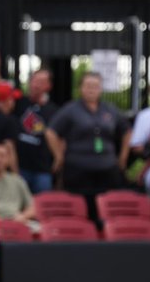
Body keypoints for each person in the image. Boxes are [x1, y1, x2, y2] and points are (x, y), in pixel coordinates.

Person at [46, 72, 130, 213]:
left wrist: (123, 156)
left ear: (101, 88)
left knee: (105, 209)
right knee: (79, 209)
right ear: (81, 88)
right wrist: (59, 156)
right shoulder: (70, 110)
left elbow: (127, 131)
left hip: (107, 169)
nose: (91, 89)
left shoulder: (109, 109)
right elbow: (50, 132)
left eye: (95, 86)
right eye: (88, 86)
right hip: (78, 170)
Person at [0, 54, 57, 193]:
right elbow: (1, 88)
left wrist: (58, 159)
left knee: (41, 206)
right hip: (21, 167)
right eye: (34, 80)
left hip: (42, 169)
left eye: (40, 82)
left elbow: (57, 137)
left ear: (48, 86)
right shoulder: (20, 101)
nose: (35, 85)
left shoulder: (54, 110)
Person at [0, 142, 36, 224]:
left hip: (15, 222)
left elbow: (32, 208)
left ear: (8, 159)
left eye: (2, 156)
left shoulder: (18, 181)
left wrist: (23, 216)